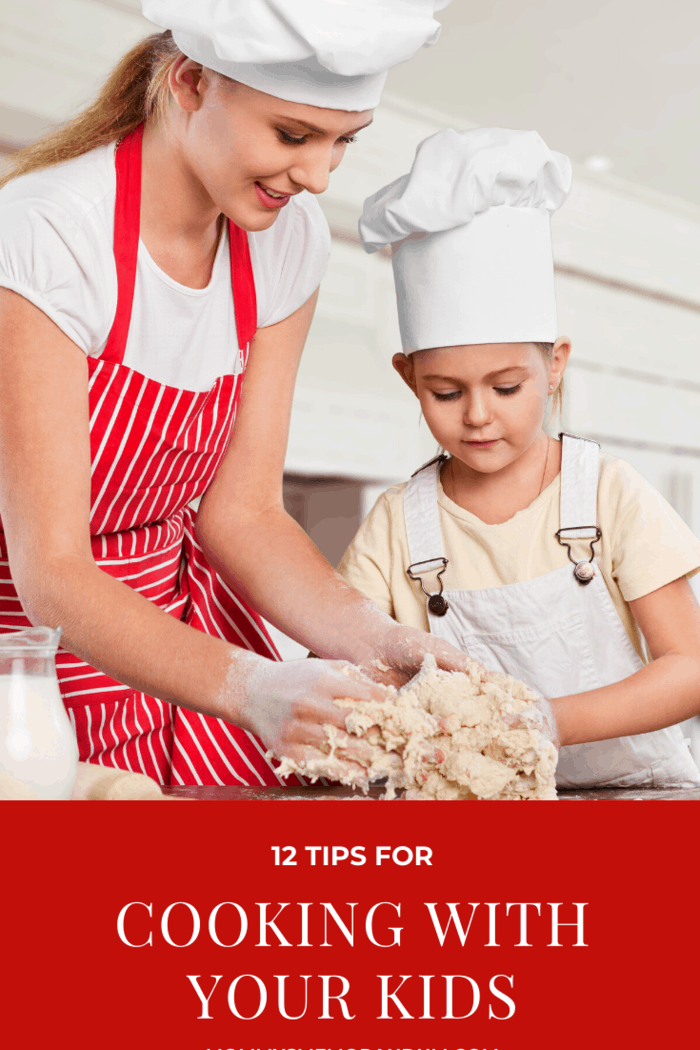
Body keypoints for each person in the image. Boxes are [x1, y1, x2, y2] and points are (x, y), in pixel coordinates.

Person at [0, 0, 469, 788]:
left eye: (342, 142)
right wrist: (249, 687)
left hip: (185, 623)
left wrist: (377, 637)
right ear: (188, 81)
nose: (318, 176)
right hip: (35, 653)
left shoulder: (290, 240)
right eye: (292, 135)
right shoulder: (48, 234)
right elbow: (52, 569)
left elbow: (242, 511)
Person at [338, 126, 700, 789]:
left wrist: (545, 721)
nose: (477, 414)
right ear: (407, 377)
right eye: (445, 392)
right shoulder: (397, 525)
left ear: (555, 366)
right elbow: (345, 666)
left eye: (506, 388)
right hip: (477, 799)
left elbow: (690, 669)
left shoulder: (608, 495)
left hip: (641, 796)